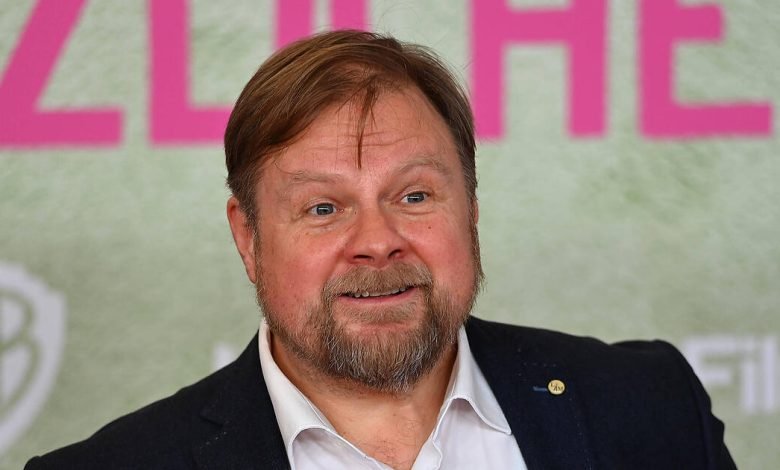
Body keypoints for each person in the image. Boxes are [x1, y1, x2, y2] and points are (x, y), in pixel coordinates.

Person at [26, 30, 736, 470]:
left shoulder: (650, 408)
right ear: (249, 237)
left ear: (472, 210)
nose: (376, 242)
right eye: (323, 208)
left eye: (415, 195)